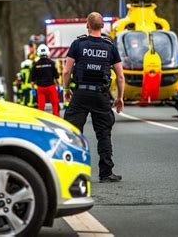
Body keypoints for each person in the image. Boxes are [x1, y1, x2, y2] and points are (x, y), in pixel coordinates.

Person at [62, 12, 125, 183]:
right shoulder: (110, 46)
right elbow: (120, 76)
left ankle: (74, 173)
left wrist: (66, 89)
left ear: (87, 25)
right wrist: (120, 97)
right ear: (102, 26)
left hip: (80, 94)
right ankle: (106, 173)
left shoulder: (78, 44)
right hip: (101, 95)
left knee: (73, 132)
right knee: (104, 134)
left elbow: (66, 71)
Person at [30, 44, 60, 116]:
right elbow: (56, 77)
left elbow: (32, 79)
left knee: (41, 107)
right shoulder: (51, 63)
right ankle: (56, 119)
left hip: (40, 88)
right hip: (51, 87)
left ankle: (42, 121)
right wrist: (58, 86)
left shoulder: (36, 65)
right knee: (55, 104)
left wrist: (33, 89)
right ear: (47, 52)